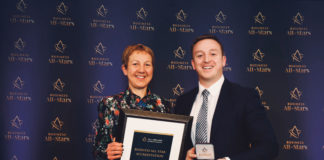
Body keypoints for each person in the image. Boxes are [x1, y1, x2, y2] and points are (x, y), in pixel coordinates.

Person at [175, 35, 278, 160]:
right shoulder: (183, 102)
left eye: (213, 54)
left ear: (223, 60)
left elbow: (269, 147)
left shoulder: (245, 97)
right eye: (199, 55)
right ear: (193, 64)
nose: (206, 60)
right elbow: (175, 148)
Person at [93, 44, 172, 160]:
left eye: (147, 65)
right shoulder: (109, 104)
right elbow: (97, 151)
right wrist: (107, 152)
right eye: (135, 64)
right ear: (125, 69)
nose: (142, 70)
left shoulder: (164, 105)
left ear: (152, 69)